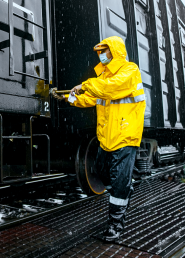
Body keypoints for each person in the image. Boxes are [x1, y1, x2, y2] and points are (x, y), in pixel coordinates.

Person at [53, 36, 146, 242]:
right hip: (106, 138)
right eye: (99, 52)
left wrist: (84, 84)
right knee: (103, 174)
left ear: (115, 52)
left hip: (125, 135)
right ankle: (128, 181)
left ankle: (115, 224)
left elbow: (108, 88)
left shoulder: (130, 71)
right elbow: (91, 98)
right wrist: (69, 97)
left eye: (104, 51)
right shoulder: (104, 77)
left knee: (119, 183)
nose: (101, 55)